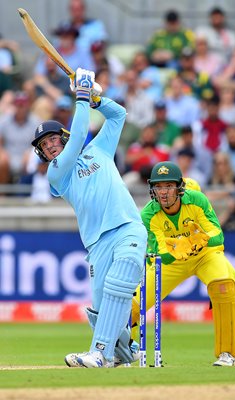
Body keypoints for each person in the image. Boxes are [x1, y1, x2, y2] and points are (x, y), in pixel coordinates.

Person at [31, 68, 147, 368]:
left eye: (52, 140)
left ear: (62, 136)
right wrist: (81, 94)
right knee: (102, 307)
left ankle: (99, 354)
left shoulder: (100, 150)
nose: (50, 146)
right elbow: (80, 132)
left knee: (119, 286)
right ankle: (124, 353)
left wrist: (95, 99)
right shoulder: (57, 173)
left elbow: (118, 115)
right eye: (44, 146)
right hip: (97, 243)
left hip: (127, 227)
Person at [130, 161, 235, 366]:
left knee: (228, 286)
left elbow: (217, 235)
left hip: (205, 255)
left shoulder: (196, 199)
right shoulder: (149, 213)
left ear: (180, 188)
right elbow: (161, 253)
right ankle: (121, 349)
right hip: (173, 263)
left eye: (169, 186)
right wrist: (181, 247)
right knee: (133, 304)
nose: (164, 193)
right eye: (159, 187)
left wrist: (199, 241)